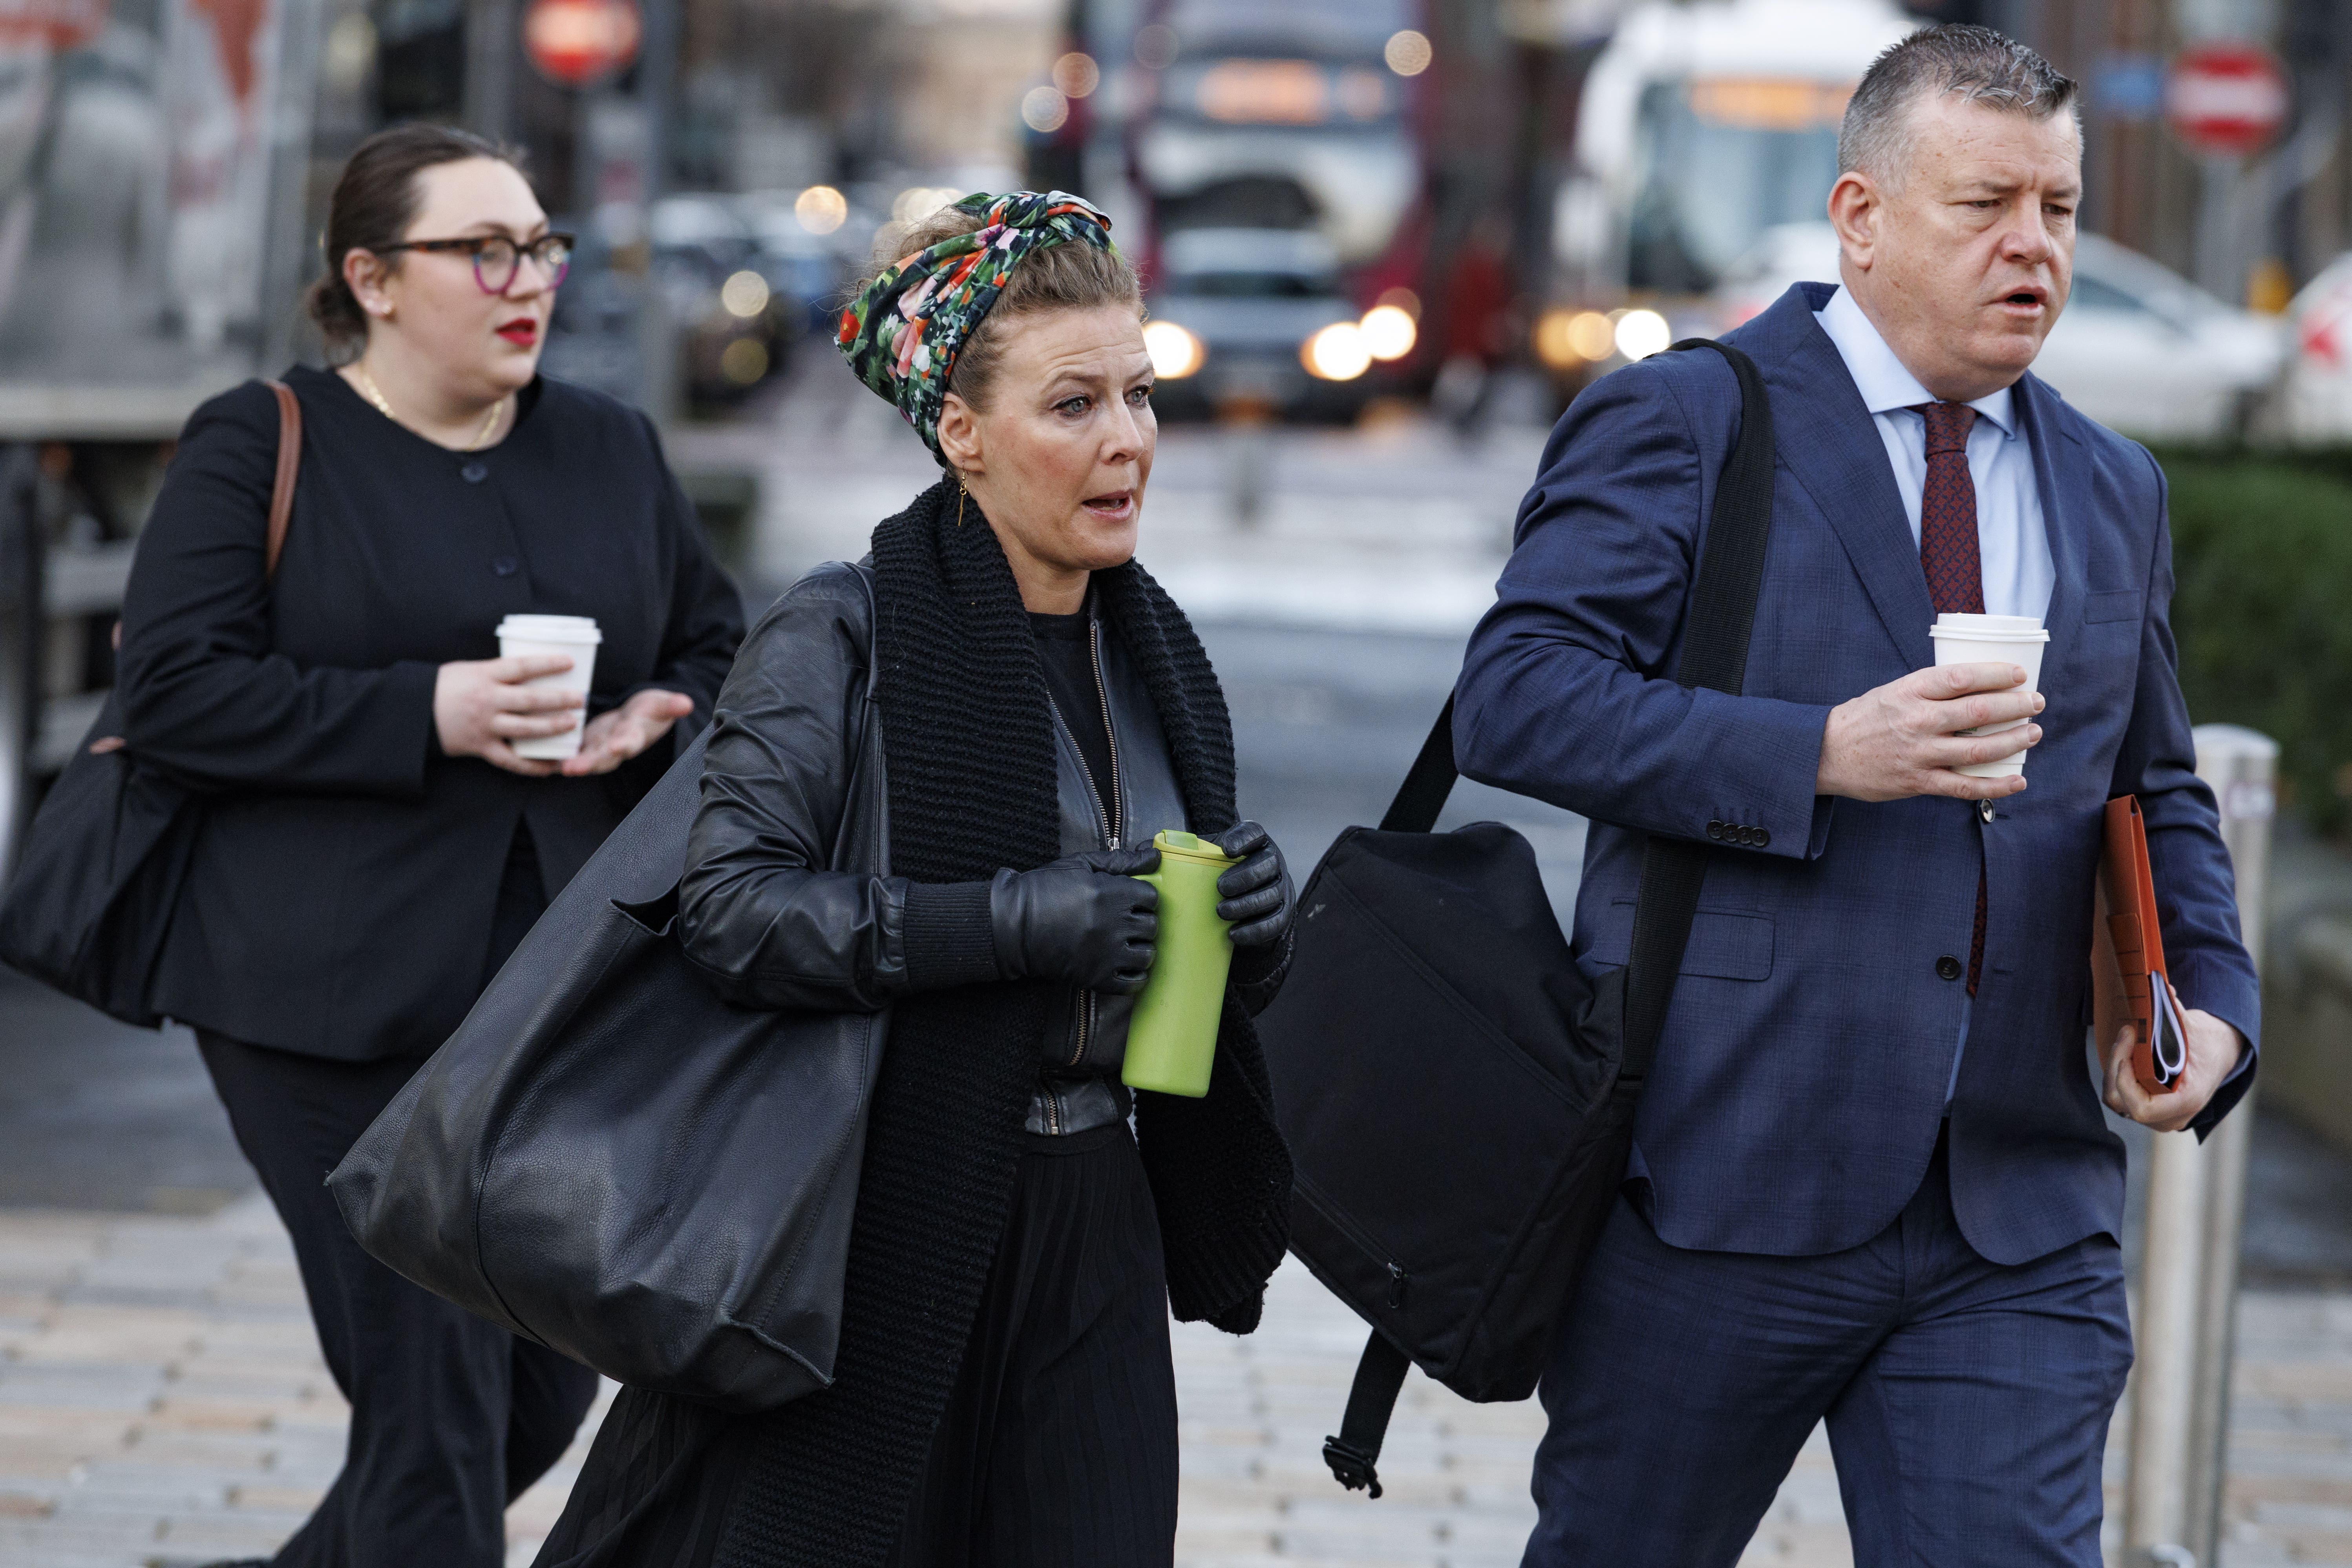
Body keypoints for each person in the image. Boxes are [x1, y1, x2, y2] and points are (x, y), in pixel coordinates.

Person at [1454, 27, 2258, 1566]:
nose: (2031, 245)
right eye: (1984, 206)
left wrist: (2208, 1003)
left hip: (2015, 1217)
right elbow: (1518, 697)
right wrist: (1815, 753)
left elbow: (2153, 787)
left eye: (2060, 209)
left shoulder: (2112, 485)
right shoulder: (1692, 418)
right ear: (1860, 216)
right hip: (1717, 1173)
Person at [533, 191, 1296, 1568]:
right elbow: (731, 911)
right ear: (961, 431)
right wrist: (1014, 921)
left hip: (1095, 1221)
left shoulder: (1160, 655)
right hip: (878, 1216)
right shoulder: (841, 627)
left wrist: (1258, 928)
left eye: (1139, 393)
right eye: (1073, 405)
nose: (1126, 439)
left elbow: (1174, 967)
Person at [114, 124, 744, 1567]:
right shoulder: (261, 440)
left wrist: (667, 707)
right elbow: (172, 689)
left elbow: (719, 639)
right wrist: (435, 709)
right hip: (318, 1004)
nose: (528, 279)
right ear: (373, 279)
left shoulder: (608, 443)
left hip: (554, 1006)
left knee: (532, 1392)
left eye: (541, 245)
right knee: (438, 1401)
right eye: (485, 250)